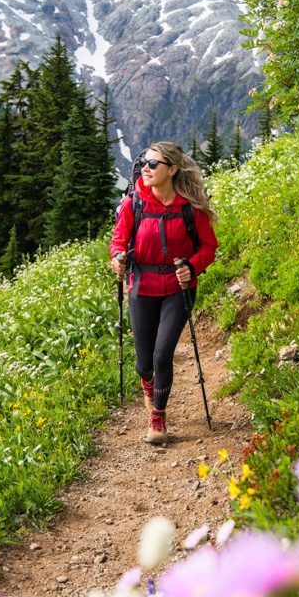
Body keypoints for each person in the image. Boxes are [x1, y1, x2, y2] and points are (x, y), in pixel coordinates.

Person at [110, 141, 218, 443]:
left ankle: (157, 418)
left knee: (161, 355)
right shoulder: (135, 204)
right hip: (142, 286)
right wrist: (118, 258)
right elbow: (118, 241)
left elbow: (209, 247)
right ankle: (148, 385)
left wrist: (192, 267)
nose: (146, 168)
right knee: (144, 364)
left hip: (177, 288)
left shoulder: (190, 209)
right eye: (145, 162)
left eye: (153, 164)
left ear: (171, 170)